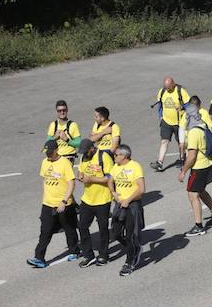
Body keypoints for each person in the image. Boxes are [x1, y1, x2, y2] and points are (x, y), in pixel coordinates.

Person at [27, 139, 80, 268]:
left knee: (69, 228)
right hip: (48, 203)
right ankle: (39, 258)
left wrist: (64, 201)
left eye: (50, 153)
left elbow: (71, 183)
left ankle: (74, 250)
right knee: (45, 231)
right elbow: (45, 180)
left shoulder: (65, 163)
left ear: (57, 150)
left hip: (64, 204)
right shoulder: (45, 162)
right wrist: (45, 197)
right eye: (46, 153)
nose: (48, 155)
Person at [179, 107, 212, 236]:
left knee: (192, 194)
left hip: (199, 167)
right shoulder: (203, 126)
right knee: (201, 191)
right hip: (207, 164)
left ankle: (199, 226)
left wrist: (183, 171)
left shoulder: (193, 132)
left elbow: (192, 155)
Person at [76, 139, 113, 268]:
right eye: (83, 152)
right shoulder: (83, 157)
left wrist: (92, 179)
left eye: (86, 151)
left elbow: (109, 177)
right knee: (82, 226)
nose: (85, 154)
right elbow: (80, 170)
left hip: (103, 199)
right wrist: (80, 176)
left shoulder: (104, 156)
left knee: (103, 228)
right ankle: (89, 255)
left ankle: (103, 255)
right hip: (87, 199)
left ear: (92, 148)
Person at [110, 144, 146, 276]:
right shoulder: (116, 166)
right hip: (119, 205)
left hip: (132, 206)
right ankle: (135, 248)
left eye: (116, 154)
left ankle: (129, 262)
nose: (114, 156)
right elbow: (110, 179)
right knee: (116, 233)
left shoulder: (135, 167)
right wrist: (113, 192)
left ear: (124, 156)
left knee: (130, 235)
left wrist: (128, 200)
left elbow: (141, 189)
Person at [151, 77, 190, 172]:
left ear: (173, 84)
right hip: (166, 121)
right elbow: (160, 104)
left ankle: (183, 160)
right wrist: (160, 116)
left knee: (181, 143)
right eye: (166, 87)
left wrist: (182, 107)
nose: (167, 89)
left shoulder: (181, 91)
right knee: (164, 141)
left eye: (169, 87)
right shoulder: (162, 91)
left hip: (179, 123)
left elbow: (189, 105)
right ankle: (159, 163)